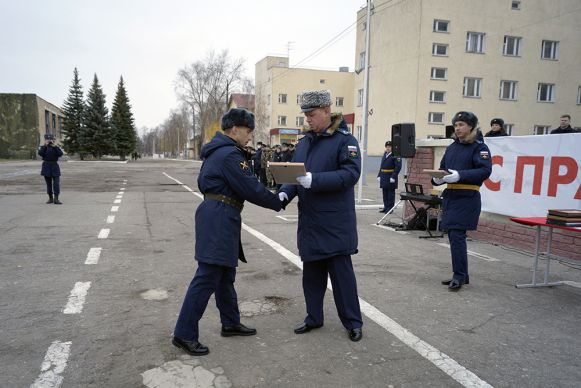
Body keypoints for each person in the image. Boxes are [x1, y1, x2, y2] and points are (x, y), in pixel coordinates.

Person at [172, 108, 284, 356]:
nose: (250, 136)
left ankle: (230, 322)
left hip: (220, 214)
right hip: (220, 216)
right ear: (234, 129)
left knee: (224, 274)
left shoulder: (219, 152)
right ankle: (184, 333)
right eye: (247, 131)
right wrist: (279, 199)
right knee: (207, 276)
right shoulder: (230, 155)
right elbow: (251, 188)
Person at [279, 90, 363, 342]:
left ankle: (353, 322)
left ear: (327, 111)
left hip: (335, 222)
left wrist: (315, 180)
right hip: (311, 222)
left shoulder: (344, 141)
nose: (308, 120)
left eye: (312, 114)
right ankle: (313, 317)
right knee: (312, 276)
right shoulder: (304, 143)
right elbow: (295, 175)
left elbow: (350, 174)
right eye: (305, 115)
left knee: (342, 278)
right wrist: (284, 193)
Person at [432, 111, 492, 291]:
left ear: (471, 127)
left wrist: (460, 175)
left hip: (467, 196)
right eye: (456, 125)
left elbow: (484, 171)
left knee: (457, 236)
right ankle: (462, 275)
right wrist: (438, 179)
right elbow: (443, 169)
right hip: (451, 196)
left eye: (462, 125)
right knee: (452, 236)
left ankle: (458, 276)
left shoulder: (479, 147)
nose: (457, 128)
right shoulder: (452, 147)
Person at [38, 133, 63, 205]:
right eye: (48, 139)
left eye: (50, 139)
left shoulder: (55, 147)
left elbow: (60, 154)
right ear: (45, 140)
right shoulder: (43, 147)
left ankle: (56, 198)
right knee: (48, 184)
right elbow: (40, 153)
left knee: (56, 184)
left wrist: (55, 146)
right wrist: (45, 145)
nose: (49, 141)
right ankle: (50, 198)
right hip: (46, 166)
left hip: (55, 166)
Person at [377, 140, 402, 213]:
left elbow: (398, 167)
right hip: (384, 176)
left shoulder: (396, 155)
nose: (388, 148)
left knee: (390, 194)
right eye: (387, 147)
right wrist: (379, 175)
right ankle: (386, 207)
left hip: (390, 176)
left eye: (389, 147)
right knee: (384, 193)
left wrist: (393, 176)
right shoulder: (385, 154)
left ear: (392, 148)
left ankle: (390, 209)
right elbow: (382, 166)